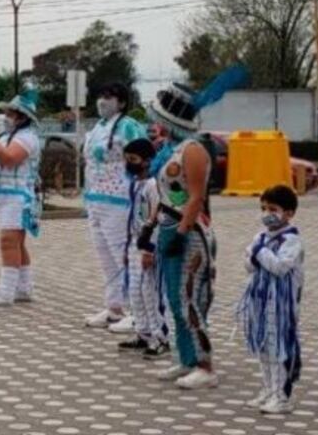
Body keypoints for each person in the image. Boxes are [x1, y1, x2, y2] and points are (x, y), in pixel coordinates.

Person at [146, 69, 247, 389]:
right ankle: (185, 358)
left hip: (189, 232)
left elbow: (195, 197)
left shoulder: (193, 150)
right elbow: (163, 193)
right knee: (175, 300)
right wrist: (153, 228)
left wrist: (180, 232)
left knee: (190, 299)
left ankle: (205, 364)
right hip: (168, 226)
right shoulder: (172, 148)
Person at [83, 83, 148, 330]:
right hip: (95, 198)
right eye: (100, 95)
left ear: (121, 102)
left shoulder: (129, 126)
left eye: (108, 97)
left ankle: (137, 311)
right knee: (105, 256)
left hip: (120, 200)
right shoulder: (97, 127)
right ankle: (114, 307)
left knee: (124, 255)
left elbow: (144, 158)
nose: (102, 101)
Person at [239, 185, 304, 415]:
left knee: (279, 349)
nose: (267, 213)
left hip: (282, 305)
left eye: (273, 209)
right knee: (264, 347)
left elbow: (280, 267)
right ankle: (268, 389)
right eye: (263, 208)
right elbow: (248, 265)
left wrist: (258, 252)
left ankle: (282, 395)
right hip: (260, 298)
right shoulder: (261, 237)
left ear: (288, 213)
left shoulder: (291, 240)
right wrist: (256, 254)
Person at [0, 85, 41, 306]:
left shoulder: (28, 137)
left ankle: (6, 291)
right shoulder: (4, 135)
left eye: (11, 113)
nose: (7, 117)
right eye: (6, 113)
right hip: (2, 194)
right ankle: (24, 287)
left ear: (23, 117)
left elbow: (9, 158)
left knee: (8, 241)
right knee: (17, 243)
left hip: (18, 195)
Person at [119, 138, 171, 359]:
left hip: (147, 244)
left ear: (147, 161)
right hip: (133, 242)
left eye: (133, 160)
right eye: (126, 159)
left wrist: (150, 248)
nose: (129, 164)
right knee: (135, 291)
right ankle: (143, 332)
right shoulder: (135, 183)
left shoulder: (153, 185)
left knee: (149, 291)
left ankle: (160, 337)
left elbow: (155, 216)